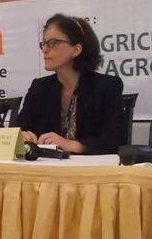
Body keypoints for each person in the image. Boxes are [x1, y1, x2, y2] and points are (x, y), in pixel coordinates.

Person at [18, 13, 125, 154]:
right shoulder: (39, 88)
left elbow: (115, 141)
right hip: (47, 165)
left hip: (89, 166)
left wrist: (72, 145)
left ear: (76, 50)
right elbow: (18, 130)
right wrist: (22, 136)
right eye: (43, 43)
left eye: (52, 43)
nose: (44, 50)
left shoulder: (106, 86)